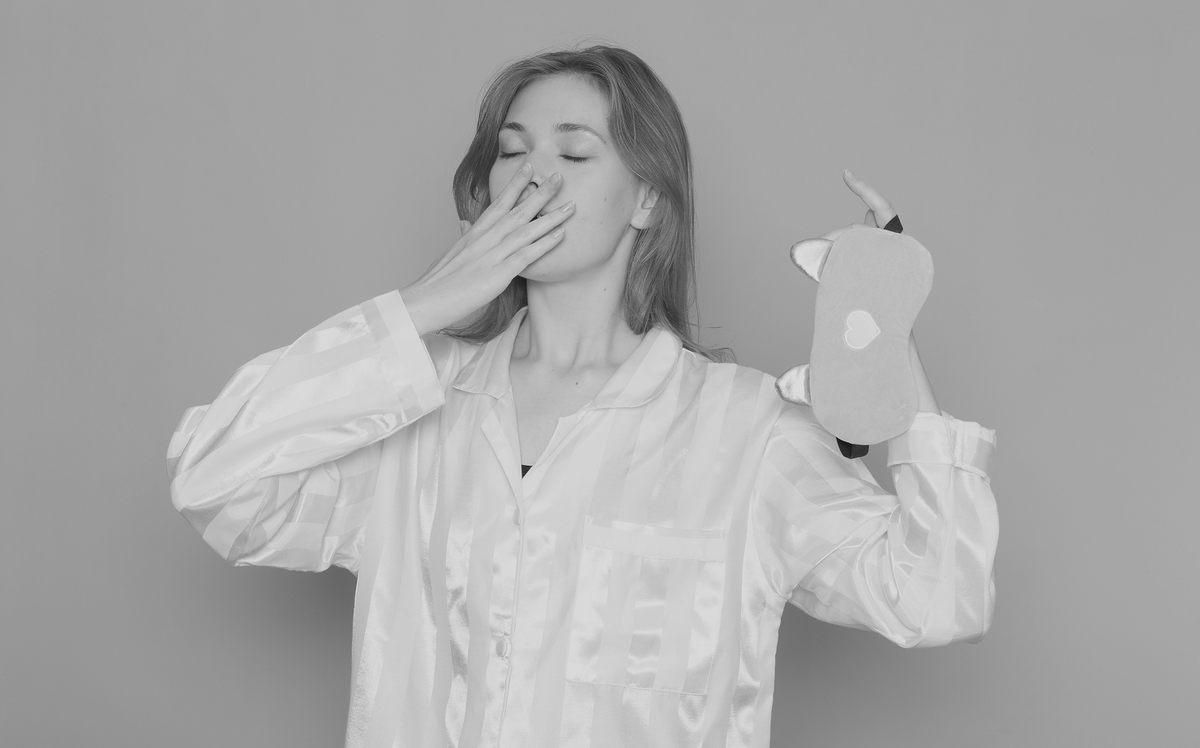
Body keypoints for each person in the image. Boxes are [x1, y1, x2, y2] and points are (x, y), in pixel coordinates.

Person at [167, 44, 998, 748]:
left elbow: (937, 597)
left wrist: (882, 328)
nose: (533, 177)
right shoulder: (412, 408)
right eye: (511, 152)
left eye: (572, 155)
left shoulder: (747, 432)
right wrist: (418, 308)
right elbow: (216, 481)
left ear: (648, 199)